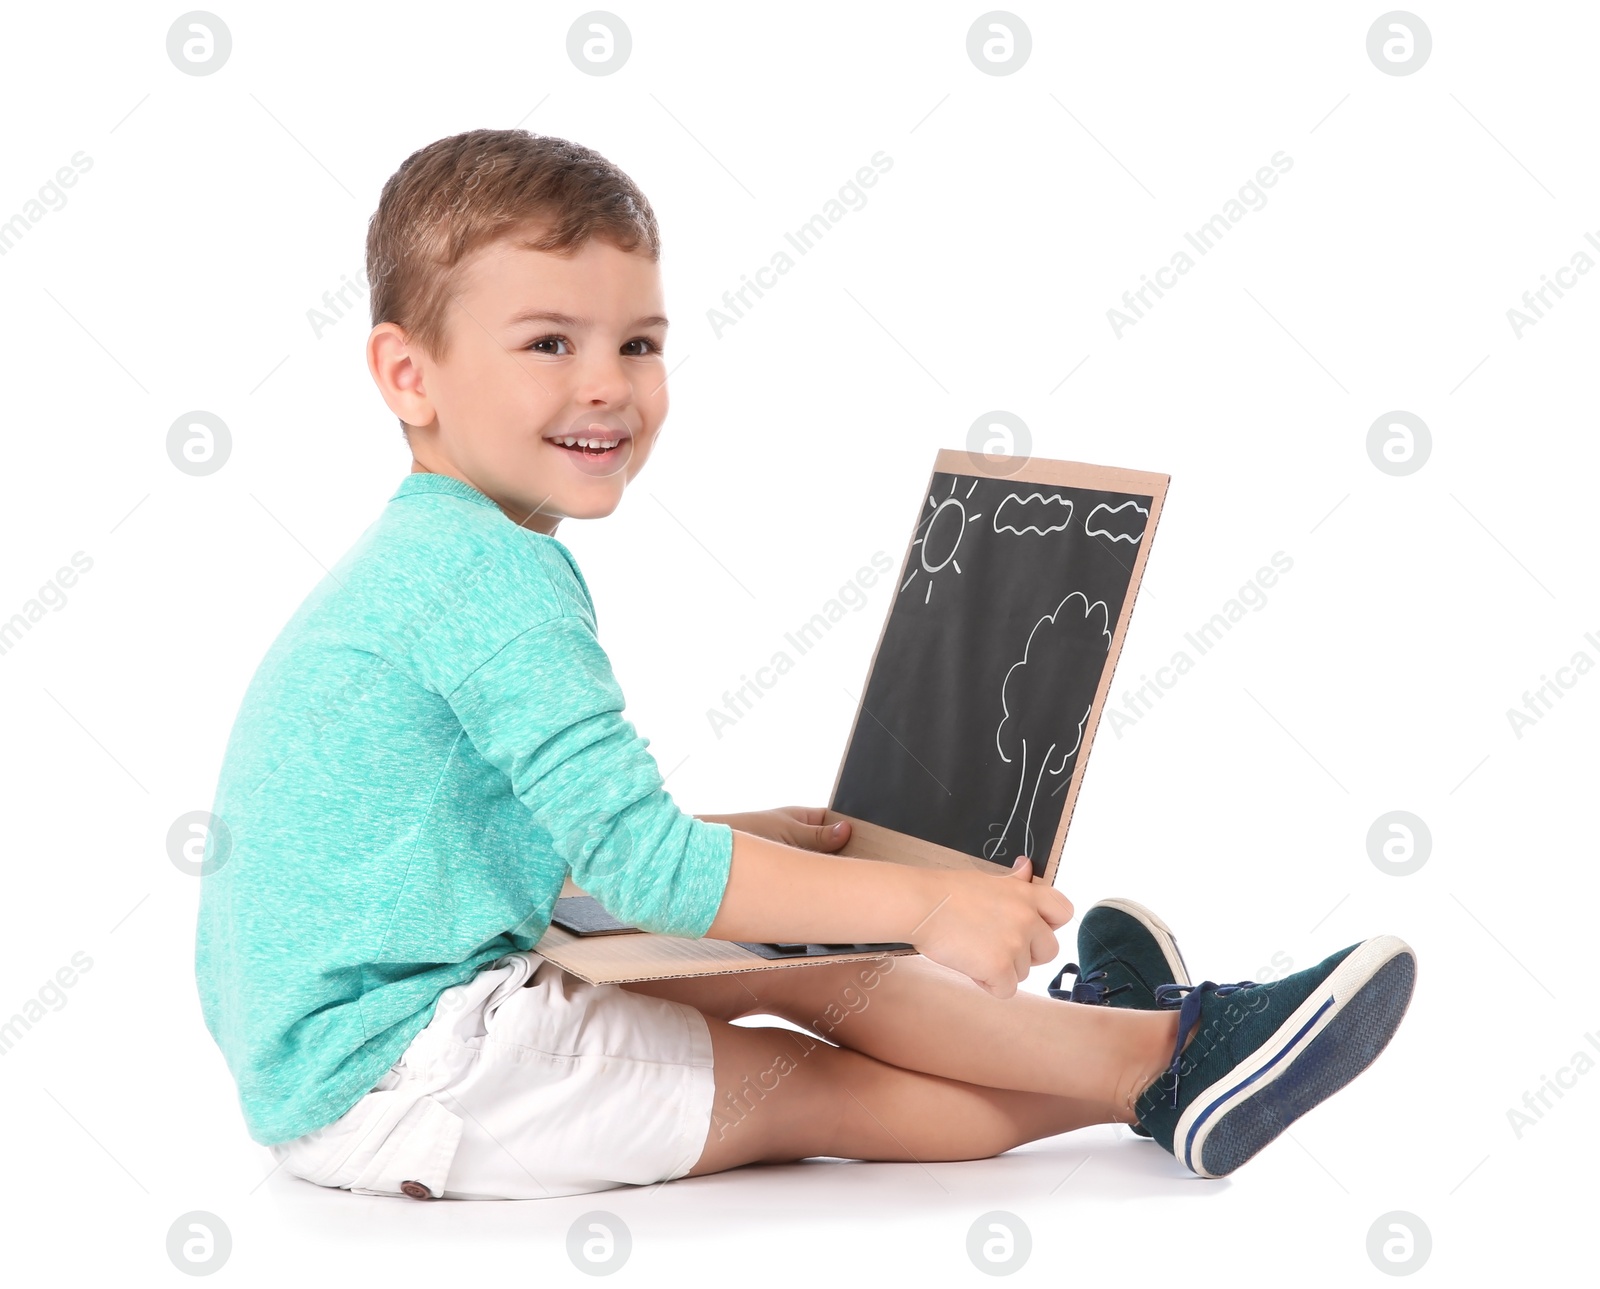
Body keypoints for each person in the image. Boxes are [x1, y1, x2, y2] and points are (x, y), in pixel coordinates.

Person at [194, 128, 1415, 1202]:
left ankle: (1099, 1034)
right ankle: (1159, 1073)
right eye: (549, 342)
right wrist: (926, 903)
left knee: (810, 962)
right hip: (411, 1071)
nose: (607, 385)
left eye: (639, 340)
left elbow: (485, 836)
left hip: (383, 1030)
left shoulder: (444, 551)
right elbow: (649, 867)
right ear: (409, 374)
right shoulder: (488, 577)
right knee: (819, 1087)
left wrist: (759, 836)